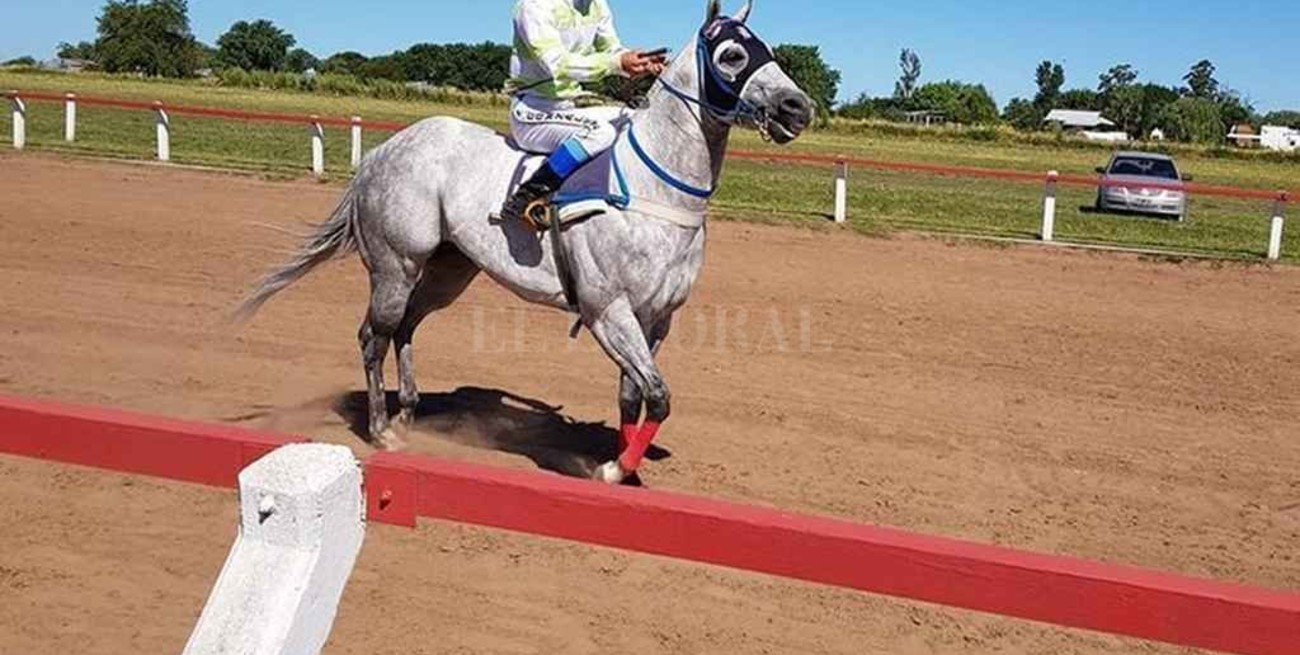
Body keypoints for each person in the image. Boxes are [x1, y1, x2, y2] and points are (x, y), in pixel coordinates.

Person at [499, 0, 667, 222]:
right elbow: (556, 64)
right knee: (600, 133)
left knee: (635, 118)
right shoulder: (534, 5)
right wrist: (617, 62)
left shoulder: (597, 5)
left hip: (569, 106)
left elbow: (612, 50)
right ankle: (529, 194)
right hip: (531, 110)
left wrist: (639, 63)